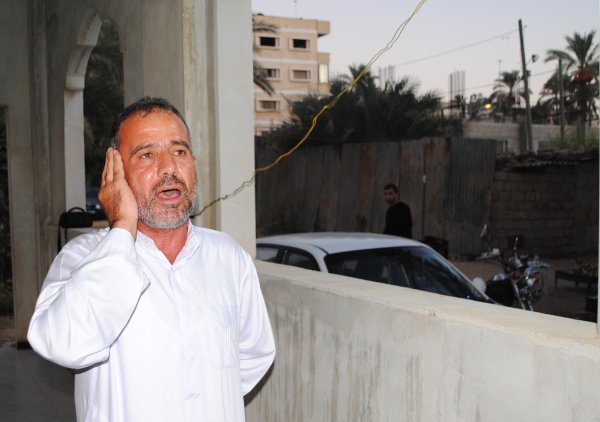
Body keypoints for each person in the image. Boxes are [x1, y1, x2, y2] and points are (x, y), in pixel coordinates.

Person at [28, 97, 275, 421]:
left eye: (179, 151)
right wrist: (122, 227)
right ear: (115, 171)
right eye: (147, 154)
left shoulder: (229, 258)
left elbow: (255, 355)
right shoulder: (83, 258)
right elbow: (62, 343)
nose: (169, 168)